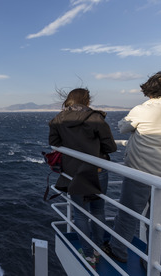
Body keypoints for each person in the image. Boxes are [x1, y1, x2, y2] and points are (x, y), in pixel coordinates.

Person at [102, 70, 161, 268]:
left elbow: (123, 127)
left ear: (150, 91)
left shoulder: (143, 110)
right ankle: (156, 263)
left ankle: (118, 250)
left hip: (141, 173)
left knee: (128, 214)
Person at [49, 88, 117, 268]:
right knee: (98, 211)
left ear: (68, 100)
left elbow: (54, 144)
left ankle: (88, 255)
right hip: (97, 170)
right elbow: (110, 147)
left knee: (80, 214)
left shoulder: (57, 120)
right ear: (87, 100)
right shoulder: (95, 117)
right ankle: (97, 249)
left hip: (73, 173)